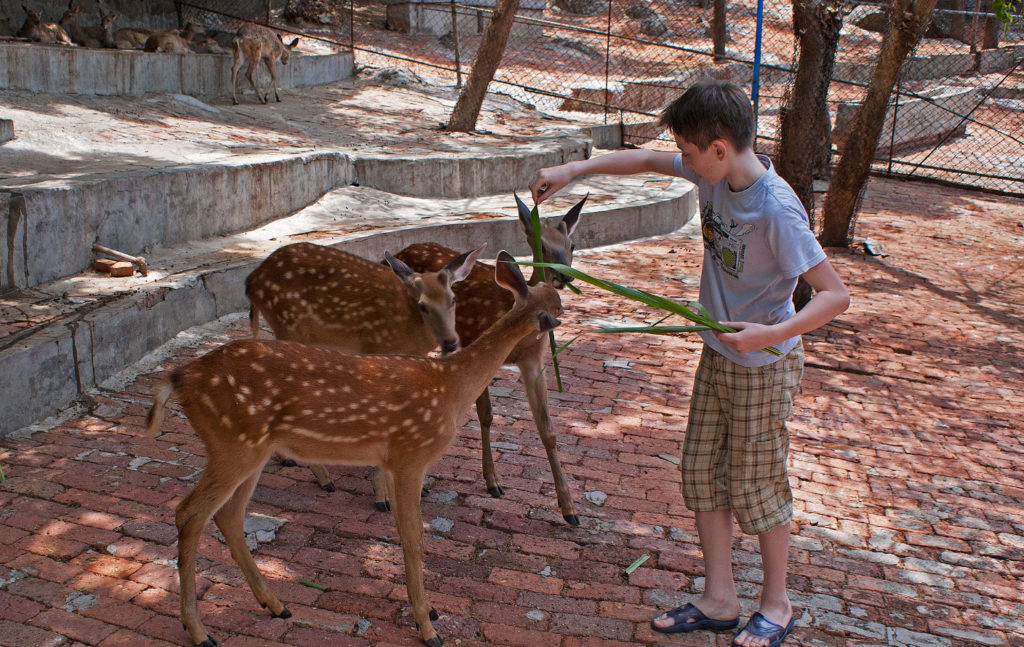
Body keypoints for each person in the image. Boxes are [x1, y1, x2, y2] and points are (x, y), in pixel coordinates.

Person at [529, 79, 850, 647]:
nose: (684, 159)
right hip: (718, 352)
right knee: (701, 476)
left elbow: (834, 295)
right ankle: (720, 598)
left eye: (691, 150)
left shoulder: (776, 210)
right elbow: (648, 159)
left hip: (763, 362)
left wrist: (772, 332)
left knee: (758, 484)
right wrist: (574, 171)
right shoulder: (712, 171)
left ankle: (777, 604)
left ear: (720, 149)